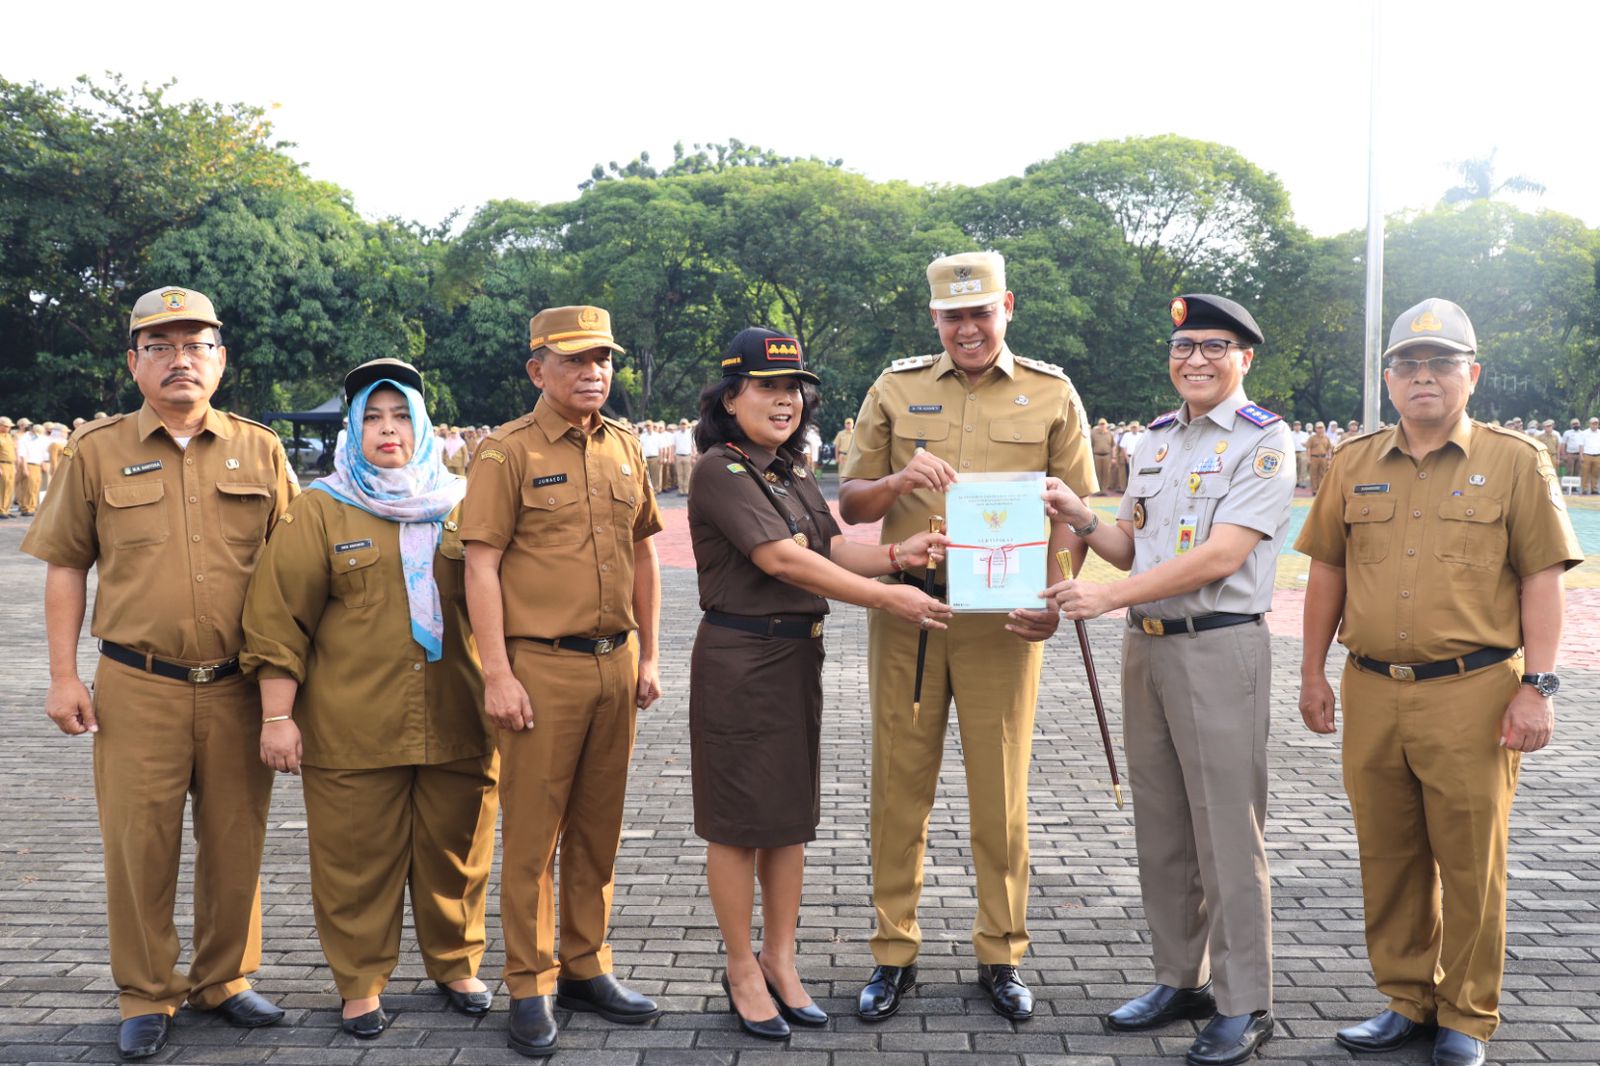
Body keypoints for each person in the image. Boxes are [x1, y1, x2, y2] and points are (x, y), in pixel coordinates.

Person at [1296, 299, 1583, 1066]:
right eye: (1408, 364)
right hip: (1370, 687)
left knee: (1470, 862)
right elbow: (1327, 571)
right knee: (1388, 855)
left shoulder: (1515, 461)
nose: (1423, 376)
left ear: (1472, 375)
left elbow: (1543, 578)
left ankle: (1466, 1014)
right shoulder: (1354, 462)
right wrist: (1312, 672)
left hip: (1473, 691)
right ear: (1389, 378)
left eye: (1442, 363)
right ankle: (1405, 999)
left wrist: (1539, 687)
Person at [20, 287, 294, 1060]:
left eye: (196, 345)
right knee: (139, 846)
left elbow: (292, 576)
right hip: (138, 685)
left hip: (239, 686)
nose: (180, 360)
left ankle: (225, 979)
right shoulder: (96, 451)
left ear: (221, 359)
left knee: (236, 840)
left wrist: (291, 693)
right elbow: (67, 565)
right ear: (133, 362)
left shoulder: (260, 450)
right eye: (160, 346)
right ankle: (146, 992)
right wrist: (63, 676)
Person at [839, 251, 1097, 1022]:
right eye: (953, 316)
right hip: (912, 613)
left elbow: (1073, 511)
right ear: (934, 318)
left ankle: (1001, 951)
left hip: (1006, 620)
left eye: (980, 312)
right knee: (899, 789)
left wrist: (1055, 595)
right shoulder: (895, 388)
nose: (968, 328)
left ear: (1006, 307)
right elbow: (853, 503)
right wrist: (899, 481)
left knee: (1001, 794)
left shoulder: (1051, 392)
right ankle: (893, 952)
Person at [1043, 294, 1292, 1066]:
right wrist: (1080, 516)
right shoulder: (1154, 440)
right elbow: (1130, 544)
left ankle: (1246, 1002)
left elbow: (1221, 555)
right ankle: (1182, 979)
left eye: (1214, 346)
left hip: (1218, 647)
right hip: (1147, 649)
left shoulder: (1264, 440)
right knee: (1163, 827)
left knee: (1226, 832)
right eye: (1184, 346)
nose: (1196, 360)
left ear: (1244, 358)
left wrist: (1108, 596)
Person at [688, 327, 951, 1040]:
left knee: (788, 821)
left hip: (795, 659)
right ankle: (741, 968)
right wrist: (888, 598)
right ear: (731, 397)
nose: (785, 401)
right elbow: (783, 560)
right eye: (767, 388)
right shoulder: (721, 469)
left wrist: (898, 554)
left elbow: (827, 547)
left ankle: (780, 959)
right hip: (741, 661)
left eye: (794, 389)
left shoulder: (790, 467)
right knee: (738, 824)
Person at [241, 358, 498, 1039]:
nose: (389, 430)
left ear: (423, 427)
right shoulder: (320, 509)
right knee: (354, 863)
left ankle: (456, 964)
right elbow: (277, 621)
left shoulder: (466, 504)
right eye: (373, 418)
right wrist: (276, 717)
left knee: (458, 854)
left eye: (401, 417)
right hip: (352, 726)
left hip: (459, 716)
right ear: (352, 429)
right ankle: (360, 983)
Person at [461, 304, 663, 1058]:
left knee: (598, 829)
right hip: (540, 667)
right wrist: (498, 673)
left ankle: (585, 965)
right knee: (532, 838)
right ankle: (528, 983)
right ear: (536, 369)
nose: (593, 372)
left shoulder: (624, 446)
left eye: (602, 359)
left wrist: (649, 656)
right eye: (575, 359)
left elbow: (644, 553)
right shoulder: (505, 452)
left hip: (615, 661)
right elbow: (481, 565)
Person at [15, 419, 49, 515]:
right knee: (28, 488)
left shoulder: (40, 439)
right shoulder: (25, 439)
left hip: (37, 465)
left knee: (35, 488)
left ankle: (32, 507)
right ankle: (26, 508)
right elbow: (23, 455)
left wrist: (43, 463)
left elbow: (41, 453)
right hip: (29, 464)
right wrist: (25, 468)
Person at [1307, 422, 1333, 494]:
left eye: (1321, 428)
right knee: (1314, 474)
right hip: (1314, 458)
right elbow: (1309, 449)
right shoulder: (1312, 438)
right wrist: (1309, 459)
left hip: (1323, 458)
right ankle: (1314, 490)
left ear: (1324, 428)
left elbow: (1329, 449)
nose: (1320, 429)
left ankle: (1321, 490)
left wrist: (1329, 459)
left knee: (1323, 474)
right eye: (1318, 428)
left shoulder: (1326, 438)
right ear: (1315, 429)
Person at [1091, 417, 1116, 492]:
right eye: (1101, 424)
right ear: (1098, 425)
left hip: (1107, 456)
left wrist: (1113, 457)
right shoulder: (1094, 434)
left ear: (1106, 425)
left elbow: (1113, 446)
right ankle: (1098, 490)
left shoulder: (1110, 434)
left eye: (1103, 424)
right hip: (1097, 456)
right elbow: (1091, 445)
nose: (1102, 426)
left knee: (1106, 473)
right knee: (1097, 473)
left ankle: (1104, 490)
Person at [672, 418, 696, 494]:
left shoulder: (690, 433)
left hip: (688, 456)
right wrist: (673, 456)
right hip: (678, 456)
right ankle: (681, 490)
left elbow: (693, 446)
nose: (683, 426)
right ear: (679, 425)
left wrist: (693, 456)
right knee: (679, 474)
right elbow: (673, 446)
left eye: (684, 424)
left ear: (687, 425)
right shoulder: (676, 434)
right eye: (682, 424)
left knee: (687, 474)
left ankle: (686, 490)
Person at [1581, 416, 1600, 494]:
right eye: (1593, 424)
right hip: (1587, 455)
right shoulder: (1584, 433)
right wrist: (1581, 455)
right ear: (1590, 424)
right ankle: (1584, 489)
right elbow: (1581, 445)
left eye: (1596, 424)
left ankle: (1594, 489)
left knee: (1595, 474)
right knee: (1585, 473)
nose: (1595, 425)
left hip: (1598, 456)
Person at [0, 416, 14, 518]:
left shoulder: (9, 436)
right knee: (2, 488)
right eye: (6, 426)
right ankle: (1, 510)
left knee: (9, 488)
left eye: (9, 427)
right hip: (2, 464)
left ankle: (6, 509)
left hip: (11, 464)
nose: (8, 428)